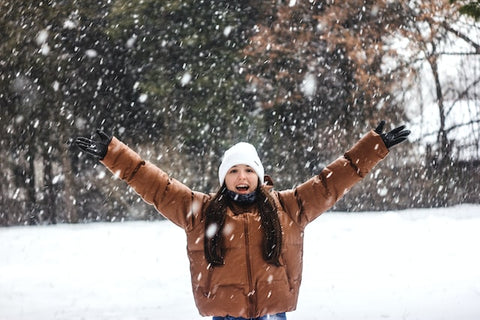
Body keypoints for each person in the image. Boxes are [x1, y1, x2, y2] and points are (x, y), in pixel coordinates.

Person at [74, 120, 410, 320]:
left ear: (260, 175)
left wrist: (373, 147)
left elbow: (331, 183)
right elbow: (157, 186)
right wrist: (113, 154)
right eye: (234, 170)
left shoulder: (289, 207)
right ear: (224, 178)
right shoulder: (201, 212)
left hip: (273, 312)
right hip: (225, 314)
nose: (242, 176)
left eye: (249, 169)